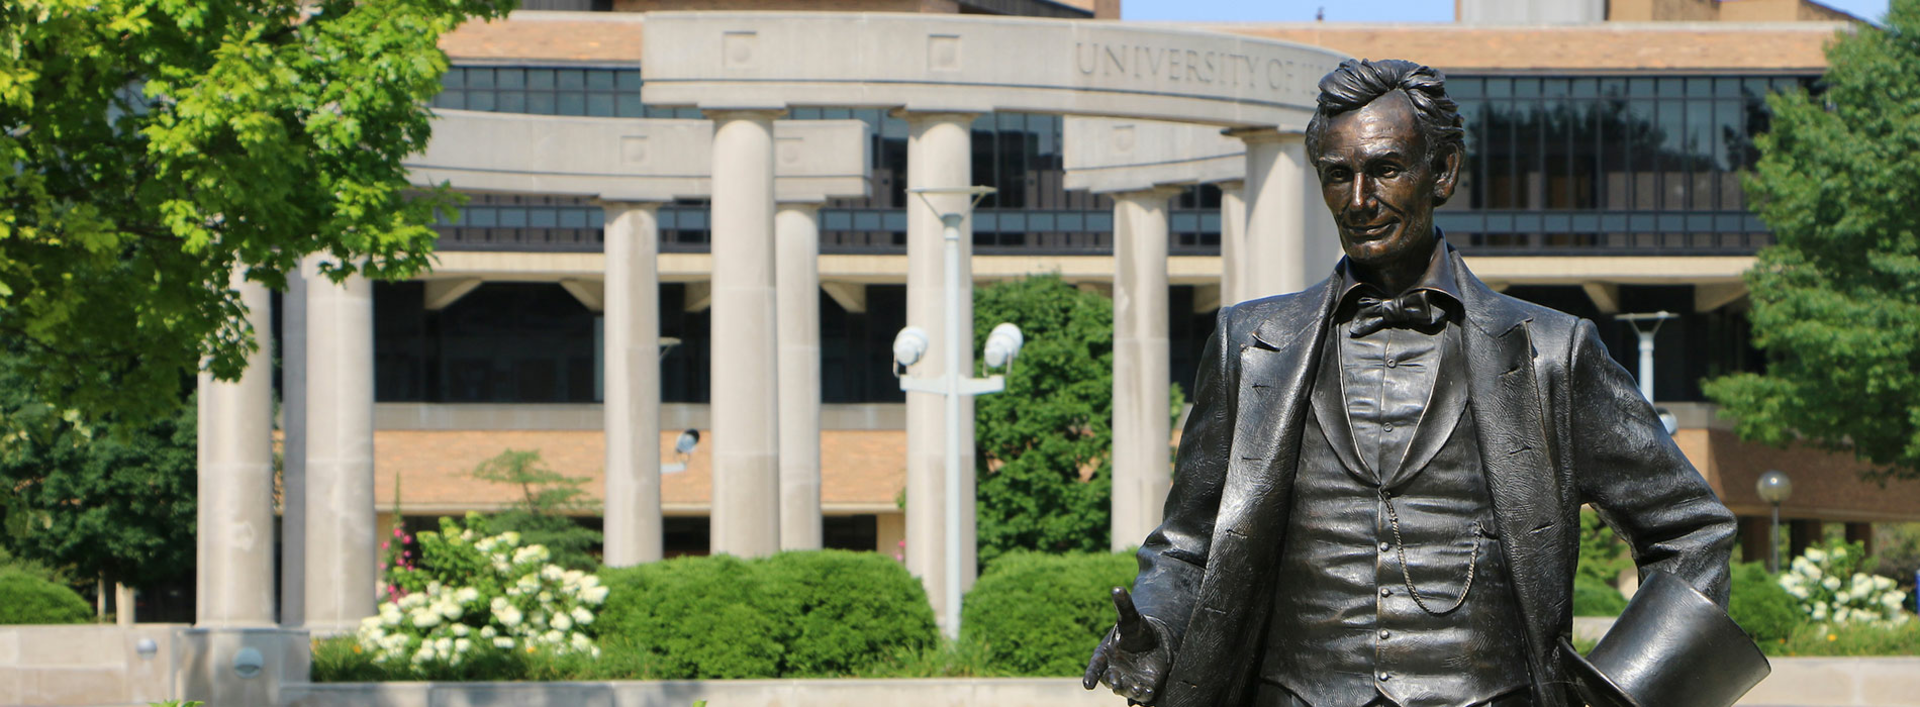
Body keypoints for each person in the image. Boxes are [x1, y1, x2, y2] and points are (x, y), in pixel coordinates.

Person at [1081, 58, 1740, 707]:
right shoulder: (1250, 346)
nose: (1360, 200)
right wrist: (1155, 629)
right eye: (1338, 175)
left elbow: (1690, 530)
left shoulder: (1551, 352)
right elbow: (1187, 545)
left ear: (1443, 171)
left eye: (1386, 169)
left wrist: (1630, 686)